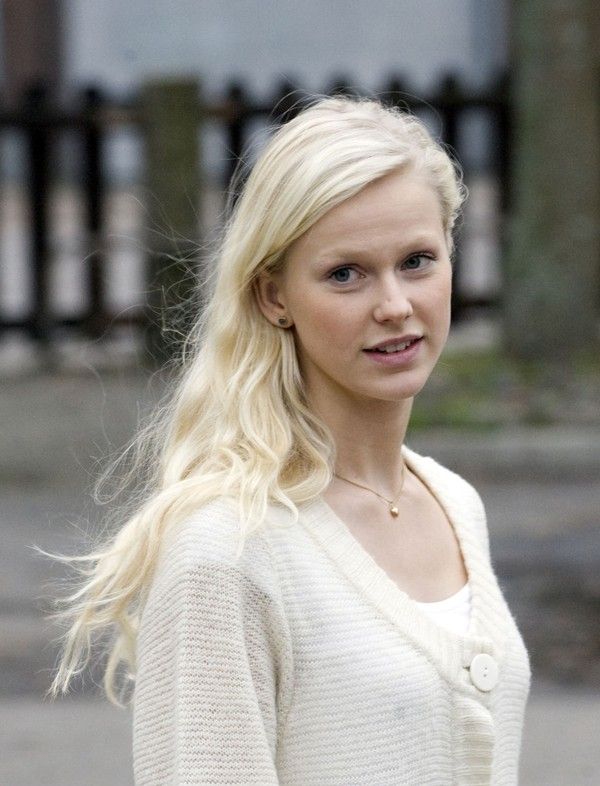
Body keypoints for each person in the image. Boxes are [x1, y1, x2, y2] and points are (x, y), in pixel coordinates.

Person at [51, 96, 530, 785]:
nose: (395, 303)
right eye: (346, 273)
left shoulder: (455, 505)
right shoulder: (227, 552)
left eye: (418, 260)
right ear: (275, 296)